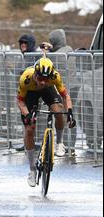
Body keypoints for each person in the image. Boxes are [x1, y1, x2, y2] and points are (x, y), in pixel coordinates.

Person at [17, 57, 76, 187]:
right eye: (40, 78)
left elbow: (65, 96)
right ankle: (32, 169)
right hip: (31, 93)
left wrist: (70, 112)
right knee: (29, 129)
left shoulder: (55, 76)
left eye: (46, 79)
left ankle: (59, 143)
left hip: (48, 91)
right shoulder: (26, 78)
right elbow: (20, 101)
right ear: (35, 75)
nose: (43, 82)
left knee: (59, 111)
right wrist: (27, 115)